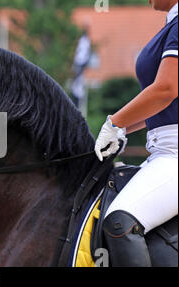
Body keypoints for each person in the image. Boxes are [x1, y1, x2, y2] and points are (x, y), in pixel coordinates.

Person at [94, 0, 178, 267]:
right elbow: (163, 106)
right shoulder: (170, 25)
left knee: (120, 220)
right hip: (163, 153)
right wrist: (121, 130)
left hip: (174, 155)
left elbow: (166, 89)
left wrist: (115, 122)